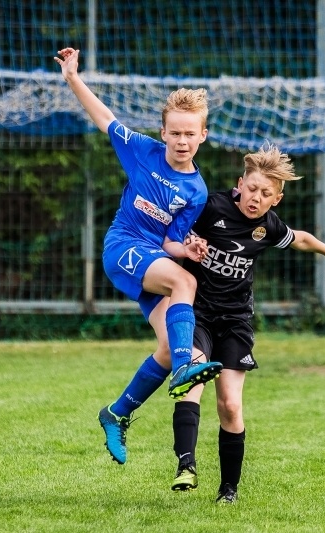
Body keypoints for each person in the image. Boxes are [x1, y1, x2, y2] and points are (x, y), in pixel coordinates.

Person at [54, 47, 223, 464]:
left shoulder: (197, 192)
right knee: (186, 283)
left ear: (203, 135)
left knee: (168, 345)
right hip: (123, 247)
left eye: (190, 134)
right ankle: (186, 369)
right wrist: (73, 77)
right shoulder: (141, 151)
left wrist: (189, 248)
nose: (182, 141)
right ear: (163, 132)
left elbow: (170, 242)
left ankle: (116, 413)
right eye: (175, 133)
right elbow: (102, 115)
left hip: (153, 257)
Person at [171, 145, 325, 503]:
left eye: (266, 193)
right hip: (198, 312)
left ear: (276, 199)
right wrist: (189, 242)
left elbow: (301, 239)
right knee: (192, 380)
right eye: (252, 188)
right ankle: (186, 465)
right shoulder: (212, 207)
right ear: (240, 184)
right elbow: (175, 233)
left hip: (235, 321)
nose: (256, 197)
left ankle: (228, 490)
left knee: (230, 405)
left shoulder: (268, 226)